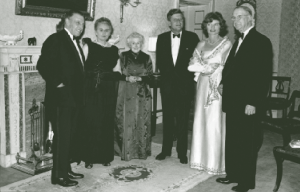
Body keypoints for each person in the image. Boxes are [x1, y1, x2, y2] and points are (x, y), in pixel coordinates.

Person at [216, 2, 273, 192]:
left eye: (239, 16)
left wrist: (253, 102)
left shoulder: (261, 41)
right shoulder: (238, 40)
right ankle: (233, 174)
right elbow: (231, 68)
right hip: (233, 101)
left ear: (251, 19)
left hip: (248, 103)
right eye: (233, 17)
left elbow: (262, 75)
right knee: (233, 140)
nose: (235, 20)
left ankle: (247, 182)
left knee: (247, 143)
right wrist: (223, 82)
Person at [37, 10, 86, 187]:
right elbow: (42, 65)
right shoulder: (56, 39)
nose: (81, 26)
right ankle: (58, 176)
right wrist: (58, 84)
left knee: (69, 137)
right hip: (60, 100)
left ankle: (65, 168)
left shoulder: (74, 42)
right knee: (62, 138)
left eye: (82, 23)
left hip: (72, 100)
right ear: (66, 21)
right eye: (77, 22)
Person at [188, 12, 232, 175]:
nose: (212, 28)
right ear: (205, 26)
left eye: (216, 24)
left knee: (215, 122)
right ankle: (199, 160)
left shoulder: (227, 45)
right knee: (201, 120)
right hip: (202, 85)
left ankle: (215, 162)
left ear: (221, 26)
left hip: (218, 86)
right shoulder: (200, 44)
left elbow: (230, 69)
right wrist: (204, 68)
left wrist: (219, 75)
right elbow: (193, 64)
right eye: (209, 24)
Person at [155, 9, 200, 164]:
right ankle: (165, 150)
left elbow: (196, 60)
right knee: (167, 118)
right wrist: (167, 78)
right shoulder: (161, 38)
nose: (179, 22)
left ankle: (182, 152)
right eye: (175, 20)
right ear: (169, 22)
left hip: (184, 86)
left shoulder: (192, 37)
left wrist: (186, 79)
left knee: (182, 119)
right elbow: (160, 62)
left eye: (181, 19)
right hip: (167, 85)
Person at [81, 17, 121, 169]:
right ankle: (89, 157)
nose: (104, 33)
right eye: (101, 30)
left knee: (105, 122)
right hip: (90, 88)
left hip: (108, 89)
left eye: (107, 30)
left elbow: (118, 71)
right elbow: (80, 68)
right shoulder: (88, 46)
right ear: (96, 31)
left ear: (111, 32)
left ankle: (105, 156)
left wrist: (108, 75)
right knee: (91, 121)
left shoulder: (114, 50)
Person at [114, 32, 153, 161]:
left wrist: (140, 78)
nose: (136, 45)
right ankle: (126, 151)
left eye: (138, 43)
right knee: (126, 121)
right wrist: (127, 77)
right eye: (133, 43)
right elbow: (117, 74)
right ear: (129, 44)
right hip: (126, 92)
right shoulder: (123, 56)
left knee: (142, 121)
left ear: (141, 44)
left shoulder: (147, 57)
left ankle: (141, 151)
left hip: (142, 93)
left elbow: (150, 77)